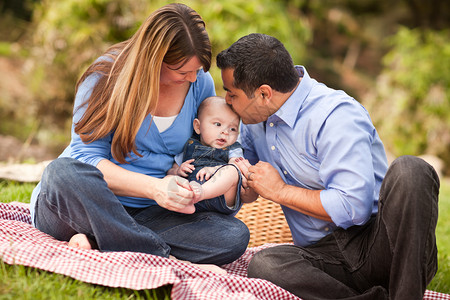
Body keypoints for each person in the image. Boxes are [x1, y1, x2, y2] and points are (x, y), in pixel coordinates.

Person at [217, 33, 440, 299]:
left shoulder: (335, 114)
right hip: (323, 257)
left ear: (264, 93)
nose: (227, 101)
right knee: (266, 264)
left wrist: (279, 191)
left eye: (232, 94)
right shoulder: (255, 121)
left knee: (411, 169)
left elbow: (352, 207)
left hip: (382, 244)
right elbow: (236, 162)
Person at [29, 3, 249, 268]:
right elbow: (85, 158)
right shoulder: (104, 78)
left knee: (233, 235)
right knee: (61, 173)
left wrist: (212, 180)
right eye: (182, 72)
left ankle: (105, 240)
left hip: (151, 213)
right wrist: (154, 188)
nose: (193, 78)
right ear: (153, 60)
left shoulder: (199, 82)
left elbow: (202, 148)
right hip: (87, 203)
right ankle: (158, 255)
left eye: (197, 69)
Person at [168, 96, 244, 213]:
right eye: (218, 124)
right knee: (168, 179)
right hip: (191, 195)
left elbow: (238, 169)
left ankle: (202, 192)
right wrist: (178, 171)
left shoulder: (233, 149)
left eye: (233, 129)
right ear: (198, 127)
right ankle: (185, 205)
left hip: (221, 198)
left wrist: (215, 170)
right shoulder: (190, 145)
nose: (225, 132)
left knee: (232, 171)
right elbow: (172, 169)